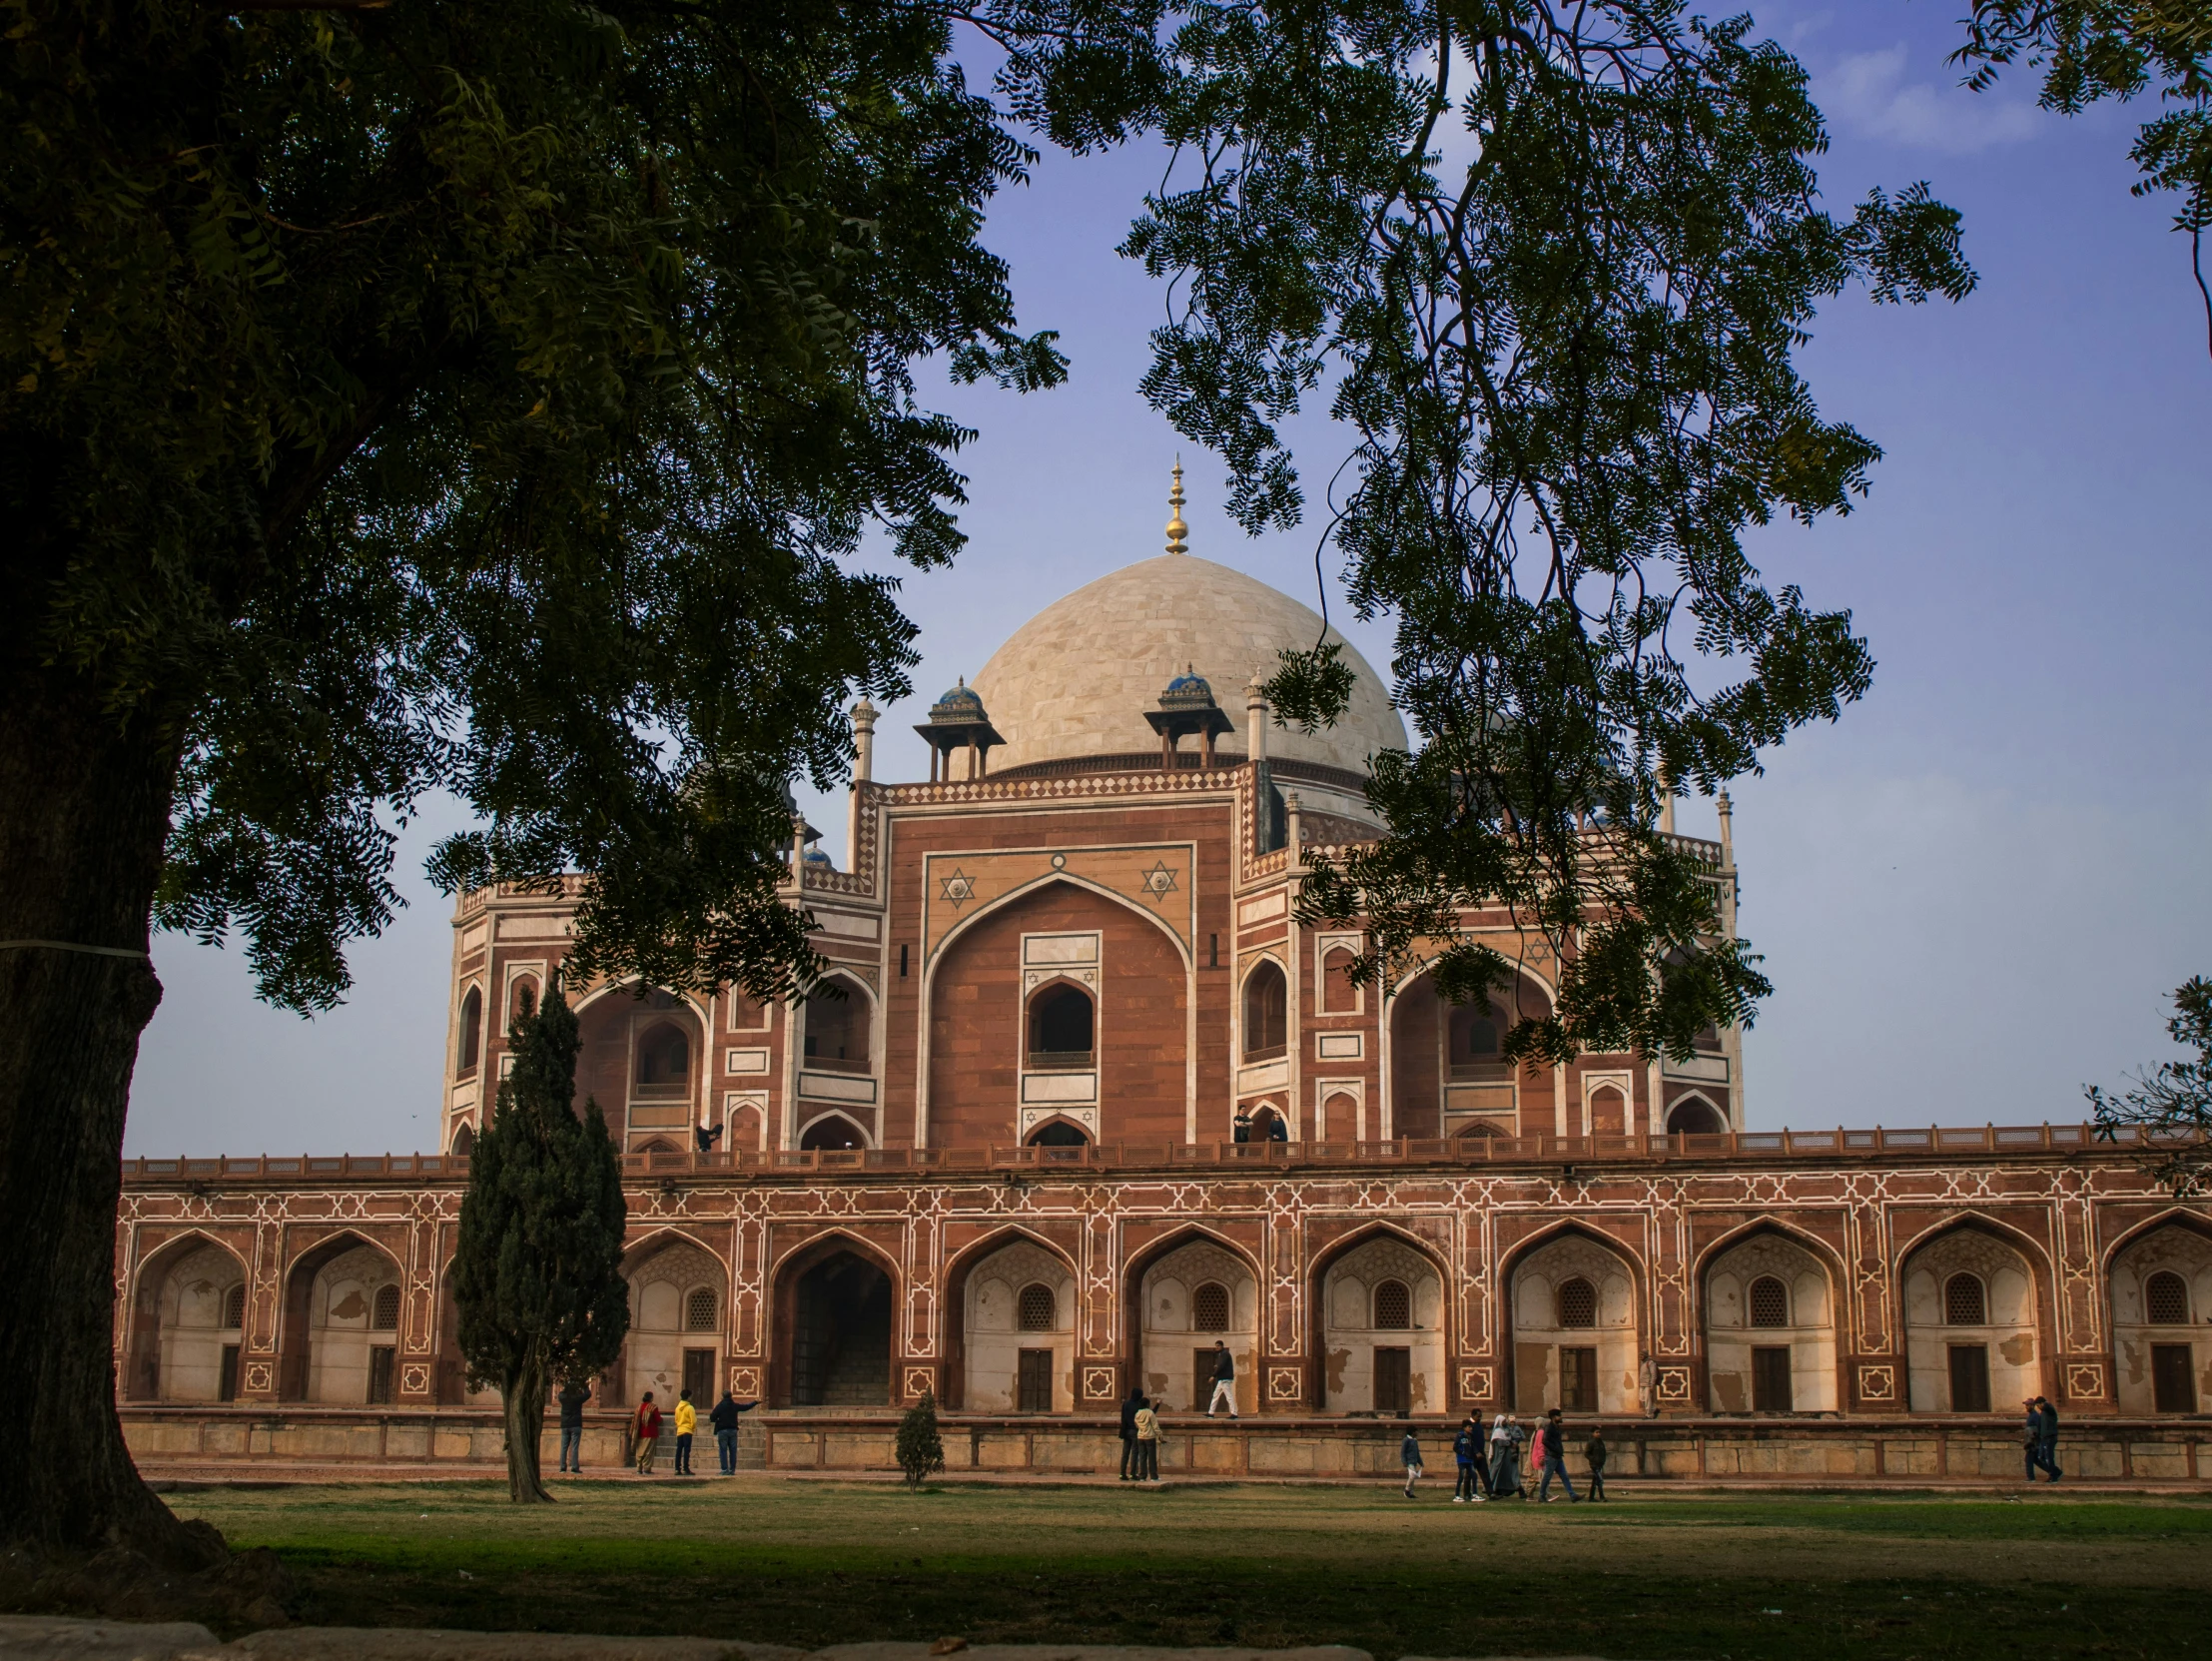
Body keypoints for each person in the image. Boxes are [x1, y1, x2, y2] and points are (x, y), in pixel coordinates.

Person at [708, 1389, 757, 1475]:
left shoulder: (720, 1406)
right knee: (733, 1451)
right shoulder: (734, 1405)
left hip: (722, 1430)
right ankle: (732, 1470)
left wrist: (718, 1419)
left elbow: (712, 1417)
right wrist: (755, 1402)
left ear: (722, 1396)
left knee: (723, 1450)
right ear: (731, 1396)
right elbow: (745, 1407)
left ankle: (724, 1469)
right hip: (733, 1430)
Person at [1538, 1408, 1578, 1502]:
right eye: (1559, 1416)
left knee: (1564, 1476)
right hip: (1551, 1456)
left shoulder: (1556, 1427)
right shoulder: (1549, 1428)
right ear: (1554, 1417)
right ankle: (1541, 1495)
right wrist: (1555, 1448)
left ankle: (1572, 1495)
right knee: (1547, 1477)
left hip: (1557, 1456)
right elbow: (1545, 1441)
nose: (1561, 1417)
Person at [556, 1376, 590, 1474]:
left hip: (565, 1424)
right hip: (576, 1424)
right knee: (574, 1447)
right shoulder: (577, 1398)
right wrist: (585, 1386)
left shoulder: (563, 1397)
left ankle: (562, 1467)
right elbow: (588, 1394)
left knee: (564, 1447)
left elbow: (560, 1394)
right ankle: (574, 1467)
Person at [1489, 1412, 1522, 1499]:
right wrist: (1510, 1443)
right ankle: (1491, 1489)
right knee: (1496, 1471)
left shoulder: (1506, 1430)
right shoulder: (1497, 1432)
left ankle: (1502, 1490)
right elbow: (1501, 1443)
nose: (1505, 1423)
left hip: (1507, 1457)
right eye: (1503, 1421)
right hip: (1499, 1457)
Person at [1451, 1417, 1483, 1503]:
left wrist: (1477, 1453)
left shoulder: (1470, 1437)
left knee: (1474, 1476)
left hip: (1470, 1460)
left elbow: (1473, 1447)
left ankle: (1475, 1494)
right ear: (1464, 1427)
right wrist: (1463, 1452)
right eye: (1469, 1427)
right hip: (1462, 1460)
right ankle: (1457, 1495)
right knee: (1461, 1477)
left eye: (1471, 1427)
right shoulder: (1460, 1436)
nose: (1471, 1429)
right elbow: (1455, 1447)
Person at [630, 1391, 662, 1475]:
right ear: (651, 1398)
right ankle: (646, 1468)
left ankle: (639, 1468)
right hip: (650, 1432)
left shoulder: (639, 1407)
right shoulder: (653, 1407)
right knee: (648, 1451)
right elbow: (658, 1419)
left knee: (639, 1451)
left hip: (639, 1432)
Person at [1119, 1383, 1145, 1479]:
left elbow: (1123, 1418)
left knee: (1125, 1453)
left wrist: (1122, 1431)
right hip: (1135, 1431)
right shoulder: (1139, 1405)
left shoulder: (1126, 1404)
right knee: (1135, 1453)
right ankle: (1133, 1474)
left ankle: (1122, 1473)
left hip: (1126, 1431)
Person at [1205, 1340, 1237, 1417]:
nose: (1217, 1347)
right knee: (1215, 1395)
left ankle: (1234, 1413)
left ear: (1222, 1346)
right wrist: (1217, 1366)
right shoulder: (1221, 1354)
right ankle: (1211, 1413)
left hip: (1225, 1379)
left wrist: (1213, 1375)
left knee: (1229, 1396)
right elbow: (1222, 1365)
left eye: (1218, 1346)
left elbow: (1222, 1366)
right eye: (1216, 1346)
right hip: (1222, 1380)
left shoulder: (1225, 1354)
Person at [1132, 1395, 1160, 1480]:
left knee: (1142, 1457)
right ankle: (1153, 1476)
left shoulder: (1138, 1413)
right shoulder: (1150, 1413)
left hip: (1140, 1437)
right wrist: (1160, 1435)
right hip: (1150, 1437)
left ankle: (1142, 1476)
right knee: (1152, 1458)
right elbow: (1155, 1426)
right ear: (1147, 1404)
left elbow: (1136, 1425)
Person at [672, 1387, 698, 1475]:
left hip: (680, 1430)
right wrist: (692, 1428)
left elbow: (676, 1420)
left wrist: (679, 1426)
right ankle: (686, 1468)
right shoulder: (690, 1408)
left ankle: (677, 1468)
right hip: (687, 1430)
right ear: (689, 1397)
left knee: (679, 1450)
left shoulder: (677, 1408)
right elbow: (693, 1421)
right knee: (687, 1450)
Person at [2038, 1395, 2062, 1482]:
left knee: (2049, 1458)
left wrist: (2045, 1404)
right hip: (2044, 1438)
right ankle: (2056, 1472)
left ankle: (2053, 1476)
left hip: (2050, 1437)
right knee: (2041, 1457)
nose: (2038, 1407)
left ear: (2042, 1404)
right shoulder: (2042, 1413)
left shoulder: (2050, 1410)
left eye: (2039, 1405)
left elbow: (2048, 1407)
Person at [1584, 1426, 1609, 1502]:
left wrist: (1602, 1460)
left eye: (1599, 1432)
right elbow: (1586, 1453)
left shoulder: (1600, 1442)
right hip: (1594, 1465)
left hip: (1600, 1464)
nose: (1598, 1434)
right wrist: (1594, 1459)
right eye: (1596, 1432)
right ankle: (1601, 1497)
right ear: (1593, 1433)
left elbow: (1603, 1452)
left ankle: (1591, 1497)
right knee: (1599, 1480)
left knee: (1595, 1481)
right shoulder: (1591, 1443)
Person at [1401, 1425, 1424, 1498]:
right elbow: (1403, 1452)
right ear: (1413, 1432)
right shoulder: (1406, 1440)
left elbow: (1417, 1453)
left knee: (1413, 1478)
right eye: (1416, 1431)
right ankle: (1407, 1490)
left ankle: (1410, 1492)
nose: (1417, 1433)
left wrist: (1420, 1462)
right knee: (1412, 1476)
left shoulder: (1414, 1441)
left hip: (1414, 1461)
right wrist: (1404, 1461)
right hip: (1409, 1461)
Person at [1638, 1351, 1658, 1417]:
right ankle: (1652, 1409)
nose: (1640, 1356)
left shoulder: (1650, 1363)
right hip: (1642, 1384)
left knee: (1647, 1400)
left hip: (1648, 1384)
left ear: (1645, 1355)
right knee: (1641, 1399)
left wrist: (1652, 1385)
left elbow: (1653, 1374)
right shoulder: (1642, 1363)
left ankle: (1649, 1415)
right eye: (1640, 1355)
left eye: (1642, 1355)